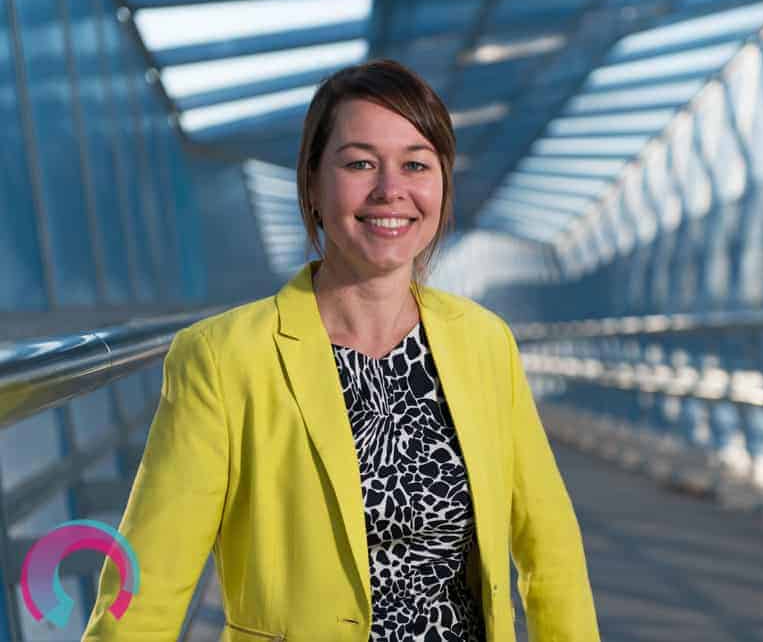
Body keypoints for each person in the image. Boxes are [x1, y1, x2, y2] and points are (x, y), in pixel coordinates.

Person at [82, 59, 600, 641]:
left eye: (416, 164)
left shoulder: (485, 343)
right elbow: (148, 582)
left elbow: (547, 543)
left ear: (442, 183)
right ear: (311, 183)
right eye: (359, 163)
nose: (390, 190)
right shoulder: (224, 358)